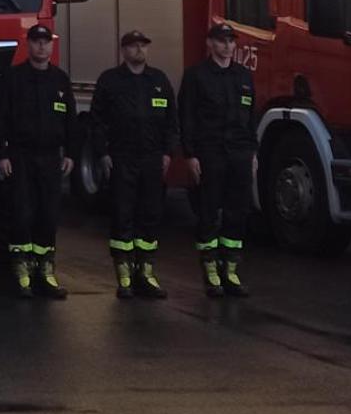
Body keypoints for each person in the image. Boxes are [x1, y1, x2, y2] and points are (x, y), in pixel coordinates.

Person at [90, 30, 179, 300]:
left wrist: (168, 152)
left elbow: (171, 121)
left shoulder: (159, 80)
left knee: (150, 214)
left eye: (143, 45)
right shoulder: (110, 81)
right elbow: (97, 121)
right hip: (122, 157)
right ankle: (124, 274)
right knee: (122, 214)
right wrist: (103, 153)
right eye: (133, 46)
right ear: (123, 50)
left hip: (152, 158)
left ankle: (146, 272)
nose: (139, 50)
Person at [0, 24, 77, 300]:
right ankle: (22, 272)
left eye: (45, 42)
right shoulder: (13, 78)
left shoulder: (60, 80)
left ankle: (45, 272)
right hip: (21, 156)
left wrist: (71, 153)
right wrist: (1, 154)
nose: (42, 46)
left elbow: (71, 120)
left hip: (50, 157)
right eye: (37, 41)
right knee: (22, 214)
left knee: (48, 215)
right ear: (28, 44)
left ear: (51, 45)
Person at [179, 22, 258, 298]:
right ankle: (211, 272)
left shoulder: (243, 76)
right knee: (209, 212)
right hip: (210, 153)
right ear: (210, 44)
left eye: (231, 41)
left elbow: (251, 118)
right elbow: (187, 117)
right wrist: (190, 154)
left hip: (239, 154)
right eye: (222, 41)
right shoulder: (196, 76)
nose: (227, 46)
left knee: (238, 212)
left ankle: (231, 271)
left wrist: (253, 153)